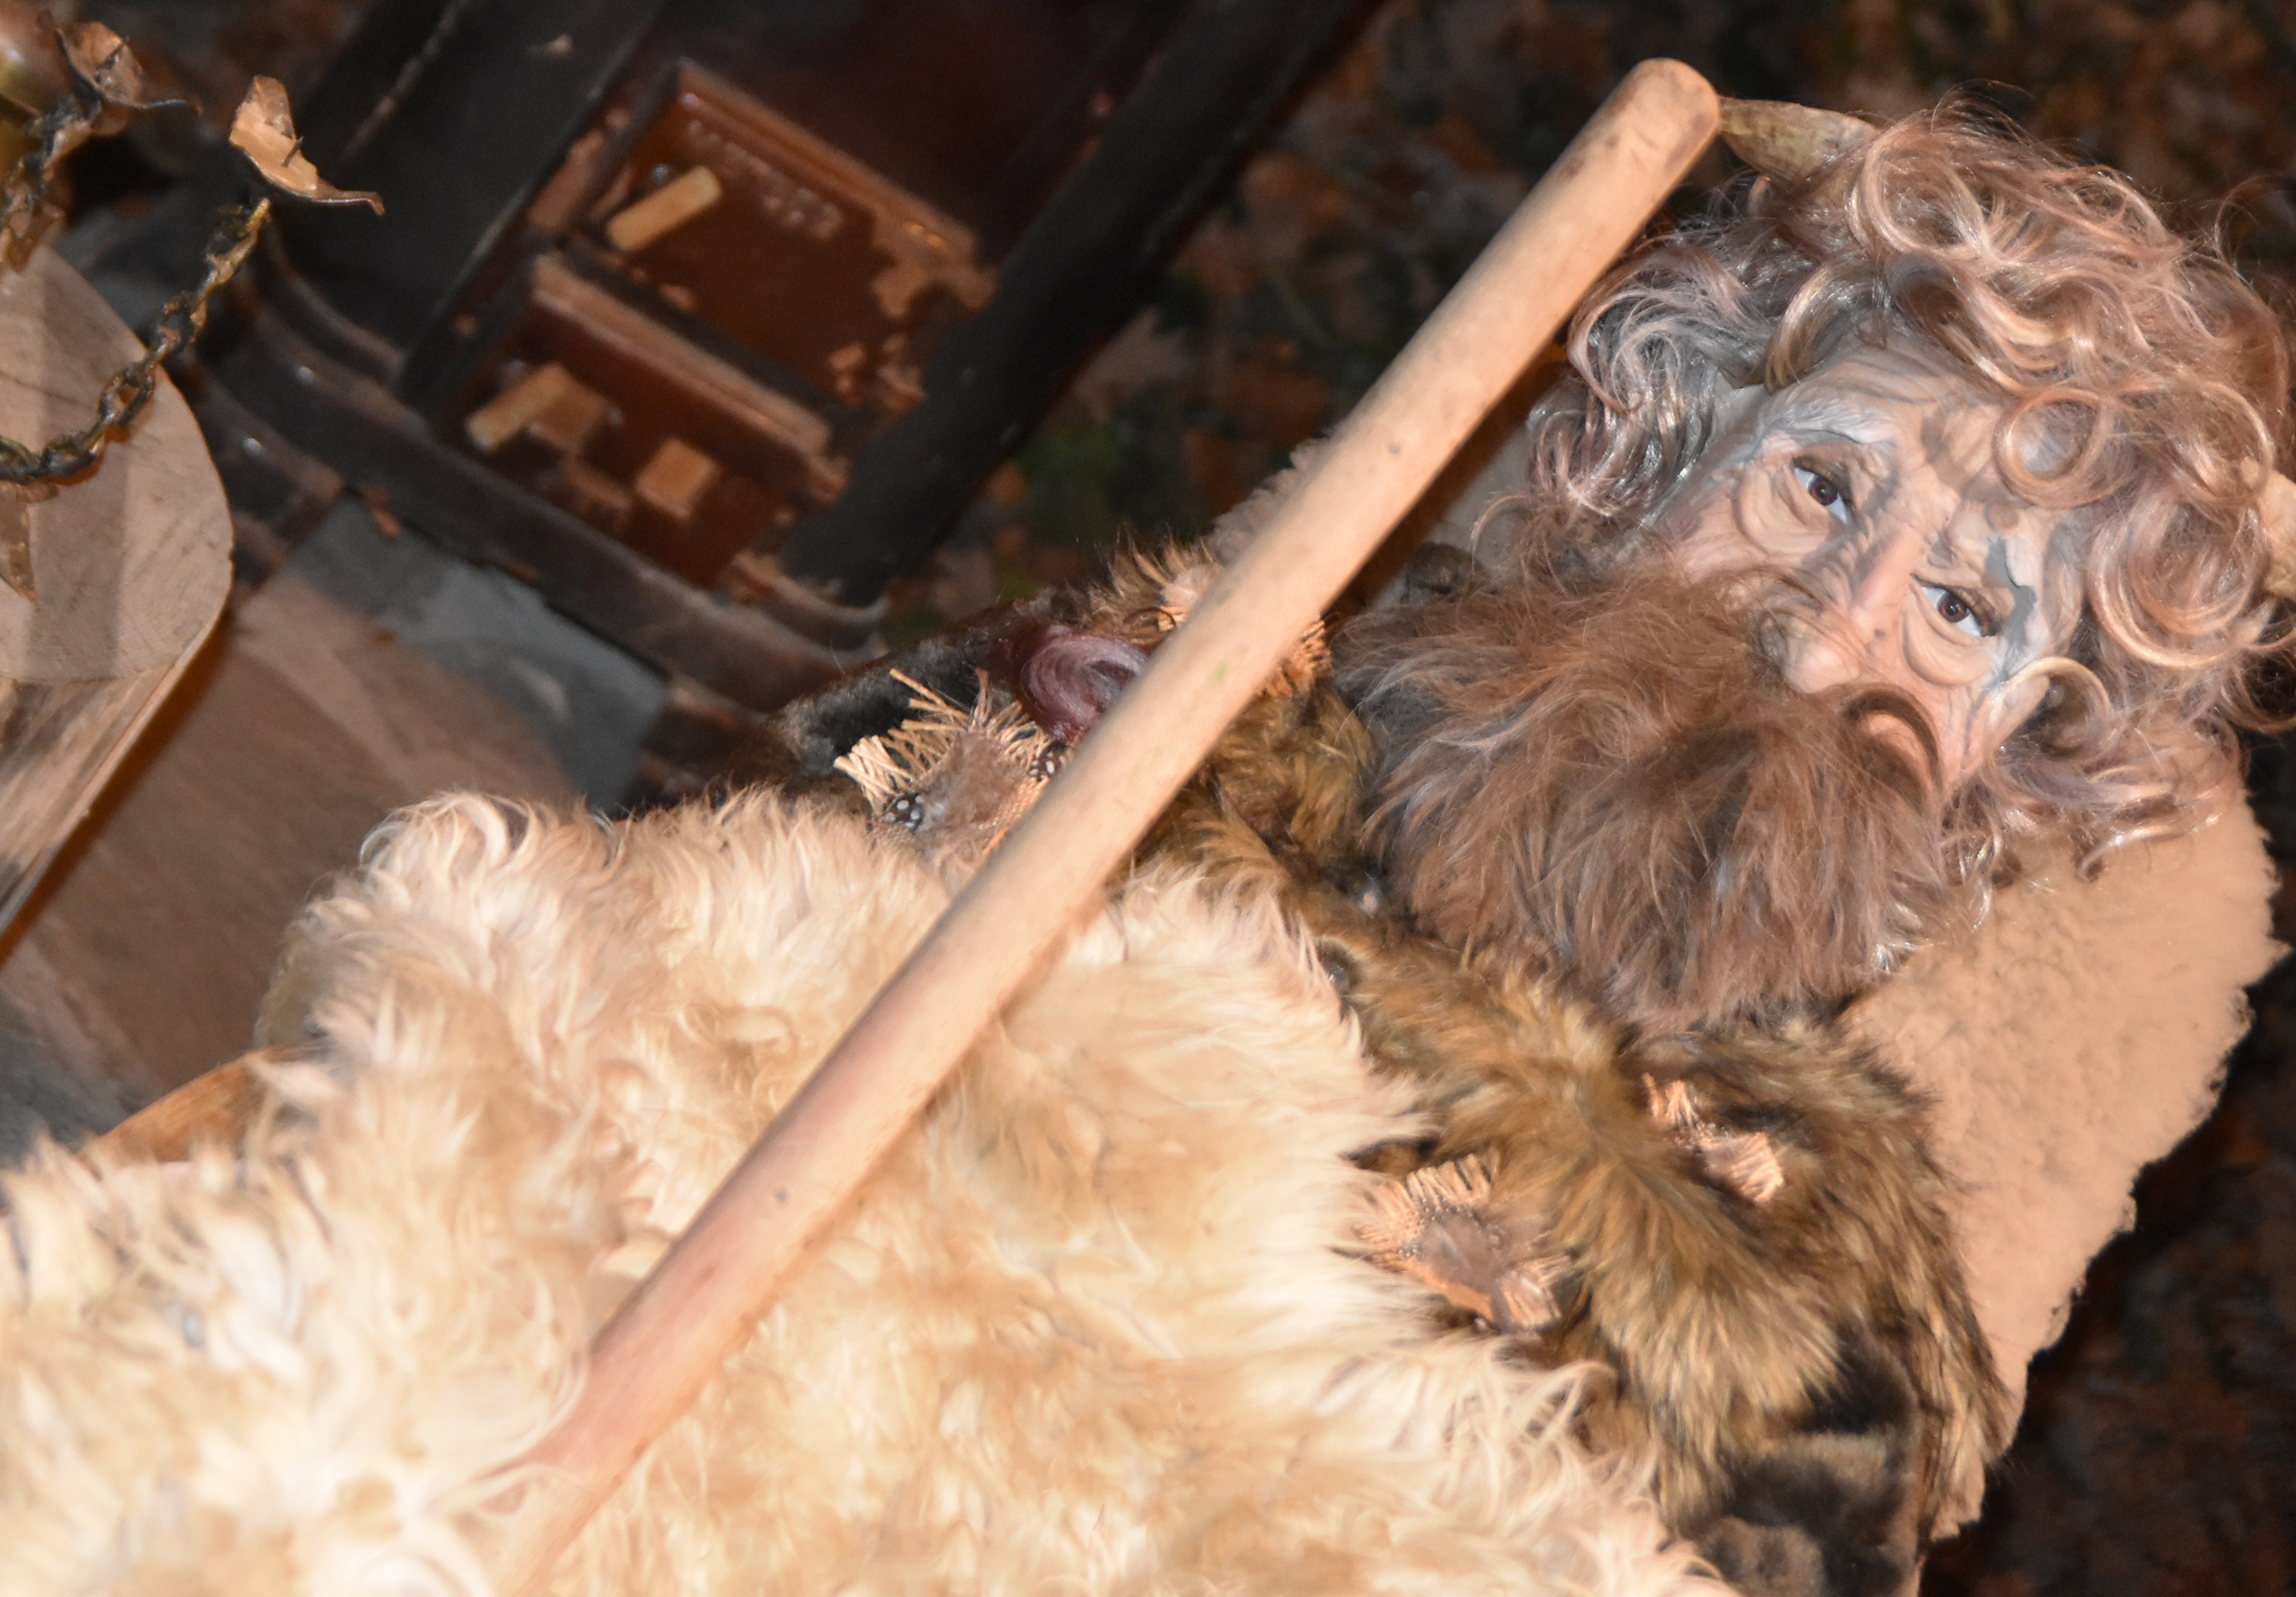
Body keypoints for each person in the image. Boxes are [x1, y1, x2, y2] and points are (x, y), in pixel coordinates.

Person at [762, 98, 2293, 1596]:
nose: (1828, 636)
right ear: (1657, 462)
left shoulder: (1827, 1325)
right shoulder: (1164, 713)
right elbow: (745, 934)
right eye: (1817, 486)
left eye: (1959, 610)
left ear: (2005, 760)